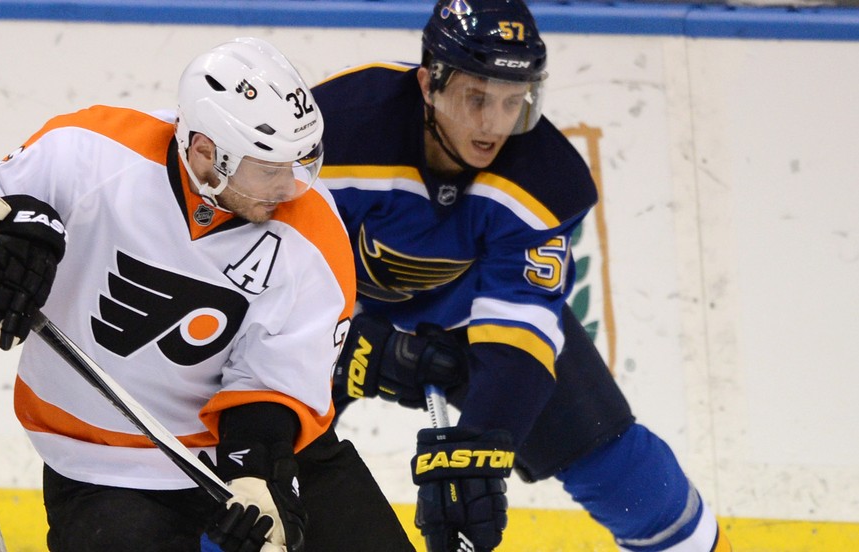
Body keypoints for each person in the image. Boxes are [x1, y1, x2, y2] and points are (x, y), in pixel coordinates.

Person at [313, 1, 733, 551]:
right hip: (336, 315)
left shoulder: (545, 178)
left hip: (472, 319)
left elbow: (520, 335)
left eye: (514, 103)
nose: (494, 125)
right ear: (428, 84)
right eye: (476, 98)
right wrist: (350, 345)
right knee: (250, 461)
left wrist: (478, 453)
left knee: (625, 475)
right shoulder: (338, 131)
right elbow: (268, 276)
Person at [0, 37, 413, 551]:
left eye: (303, 163)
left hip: (255, 439)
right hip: (105, 461)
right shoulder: (88, 151)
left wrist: (257, 475)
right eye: (273, 168)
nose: (293, 187)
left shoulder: (314, 240)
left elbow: (272, 385)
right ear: (207, 155)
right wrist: (1, 238)